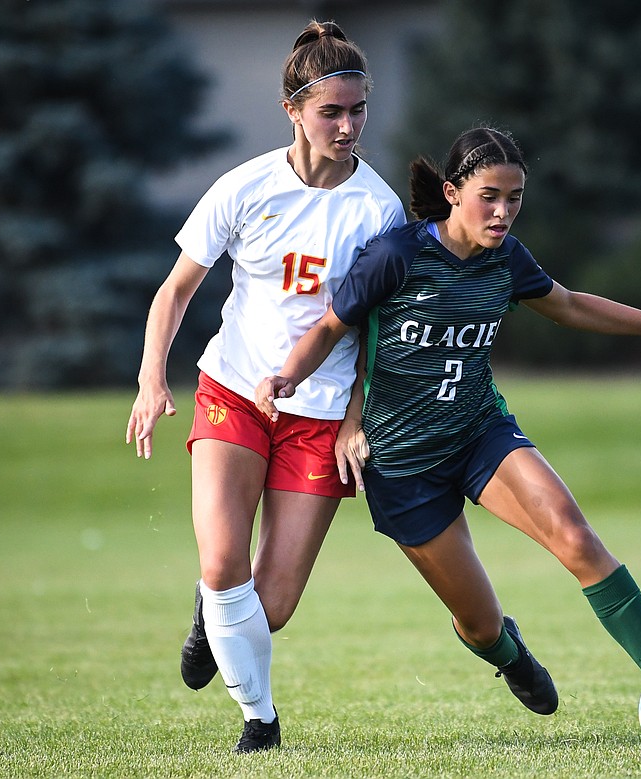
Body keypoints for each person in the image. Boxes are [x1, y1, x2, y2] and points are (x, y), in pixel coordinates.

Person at [253, 126, 641, 715]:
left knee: (575, 537)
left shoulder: (508, 261)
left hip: (481, 434)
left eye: (515, 198)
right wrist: (288, 378)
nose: (503, 212)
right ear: (453, 192)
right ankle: (510, 654)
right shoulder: (397, 255)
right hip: (402, 466)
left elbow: (571, 305)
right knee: (477, 624)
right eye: (490, 196)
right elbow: (331, 327)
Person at [125, 20, 404, 753]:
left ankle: (210, 611)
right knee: (225, 564)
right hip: (235, 389)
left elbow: (376, 332)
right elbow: (175, 291)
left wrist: (352, 420)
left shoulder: (378, 210)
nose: (348, 126)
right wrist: (153, 377)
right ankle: (262, 720)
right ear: (293, 110)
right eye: (331, 112)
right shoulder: (244, 187)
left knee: (268, 605)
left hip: (318, 416)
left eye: (358, 110)